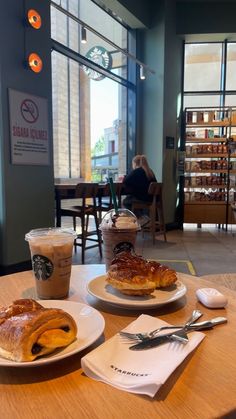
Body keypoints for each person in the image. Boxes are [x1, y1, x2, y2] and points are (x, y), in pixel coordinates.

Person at [122, 155, 157, 219]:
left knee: (125, 201)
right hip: (152, 199)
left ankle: (140, 219)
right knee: (131, 199)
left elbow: (126, 181)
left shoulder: (137, 171)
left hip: (143, 199)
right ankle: (142, 218)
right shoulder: (150, 171)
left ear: (135, 163)